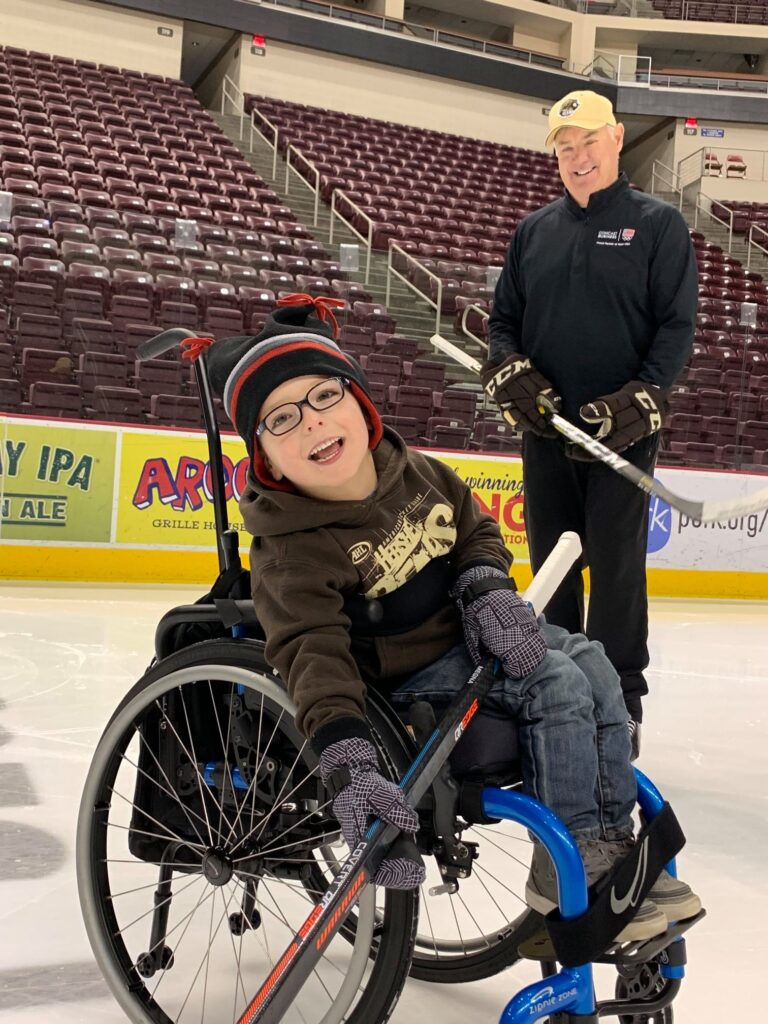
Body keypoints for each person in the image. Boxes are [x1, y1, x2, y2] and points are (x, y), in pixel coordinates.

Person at [206, 294, 700, 939]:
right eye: (281, 418)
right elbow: (310, 654)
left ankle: (609, 845)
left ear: (360, 402)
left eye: (325, 396)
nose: (311, 424)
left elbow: (476, 534)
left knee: (592, 660)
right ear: (264, 453)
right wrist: (351, 761)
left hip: (463, 644)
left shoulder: (417, 472)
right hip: (400, 683)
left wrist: (485, 589)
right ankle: (570, 865)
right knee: (555, 683)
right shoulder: (291, 549)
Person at [483, 90, 698, 755]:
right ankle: (553, 690)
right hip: (547, 433)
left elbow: (676, 324)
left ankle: (619, 704)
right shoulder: (534, 231)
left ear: (617, 139)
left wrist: (649, 393)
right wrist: (509, 369)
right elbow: (502, 324)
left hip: (621, 437)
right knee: (551, 564)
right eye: (564, 148)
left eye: (588, 142)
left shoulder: (658, 225)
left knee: (615, 569)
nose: (577, 158)